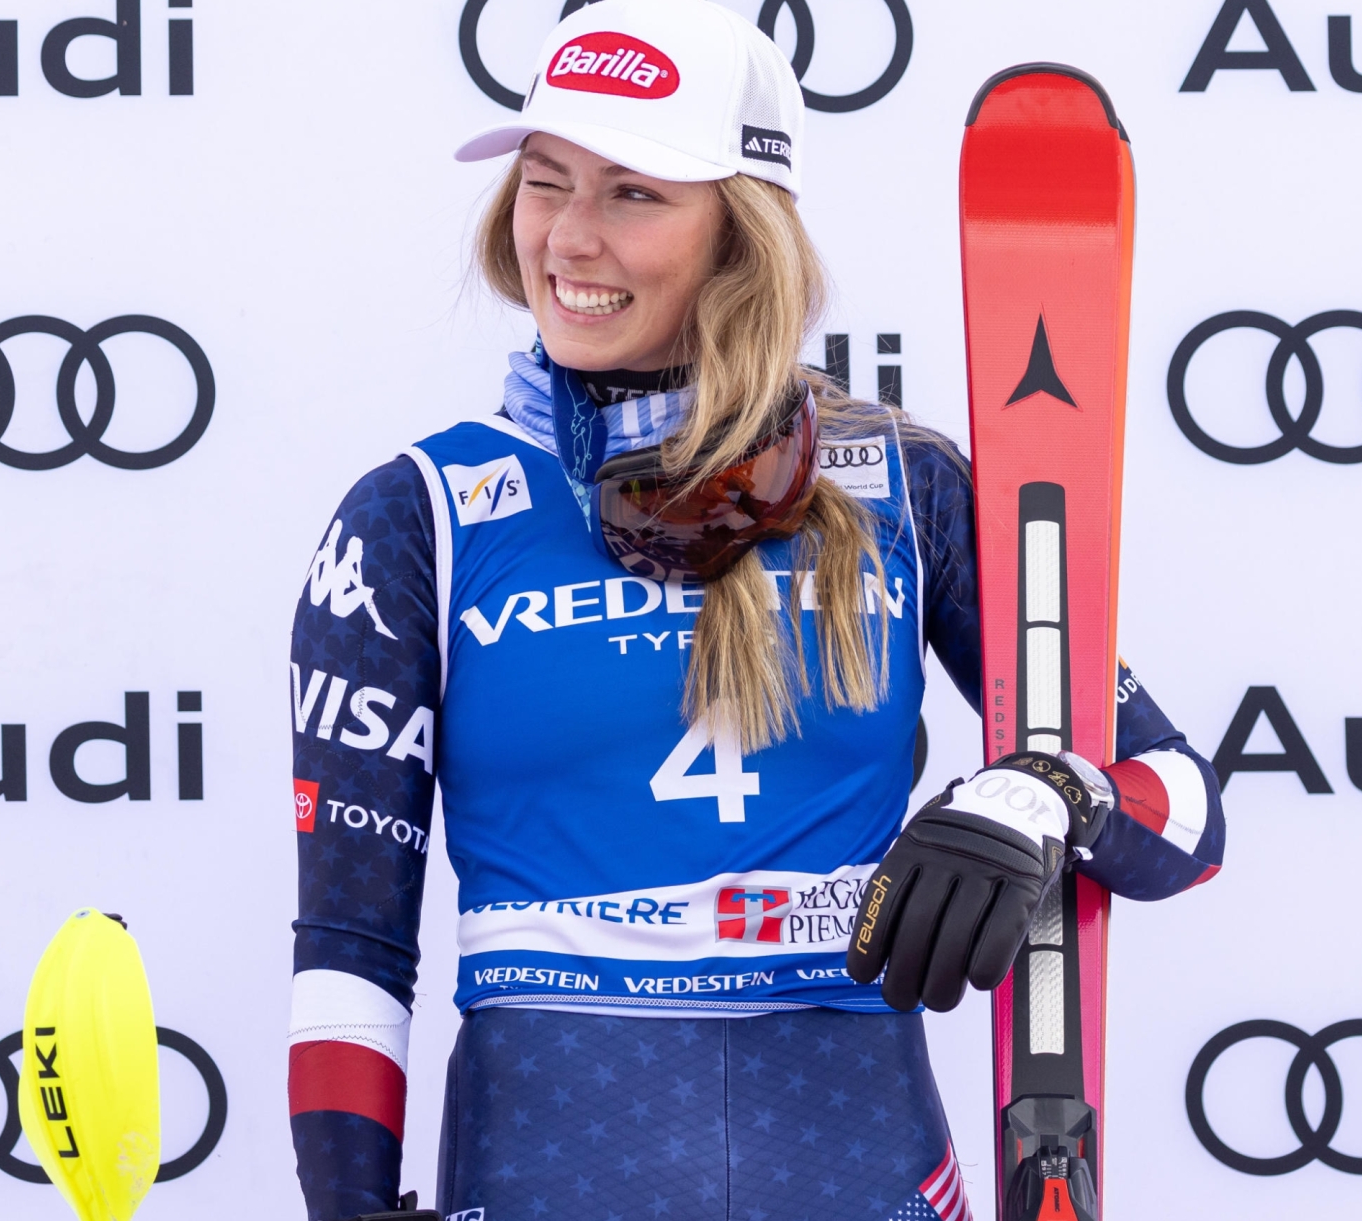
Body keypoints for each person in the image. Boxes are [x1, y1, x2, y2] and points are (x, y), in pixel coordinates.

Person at [285, 3, 1224, 1218]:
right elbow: (352, 945)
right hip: (545, 1166)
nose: (566, 238)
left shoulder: (902, 488)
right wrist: (346, 1208)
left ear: (743, 233)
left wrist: (1044, 792)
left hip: (860, 1167)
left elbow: (1182, 806)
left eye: (634, 194)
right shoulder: (420, 516)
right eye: (545, 180)